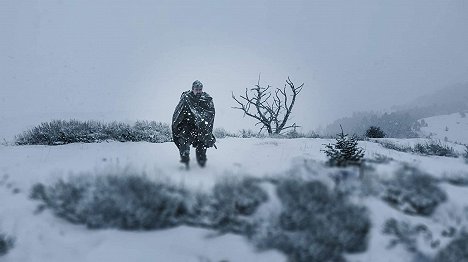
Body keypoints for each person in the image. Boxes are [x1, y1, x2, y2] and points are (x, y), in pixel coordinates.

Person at [172, 80, 216, 168]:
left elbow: (210, 113)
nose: (198, 91)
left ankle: (202, 163)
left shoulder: (206, 99)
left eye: (200, 89)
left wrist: (202, 121)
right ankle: (185, 161)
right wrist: (178, 126)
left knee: (202, 144)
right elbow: (179, 113)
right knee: (183, 140)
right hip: (188, 125)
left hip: (201, 127)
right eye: (197, 89)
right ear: (193, 89)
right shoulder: (186, 98)